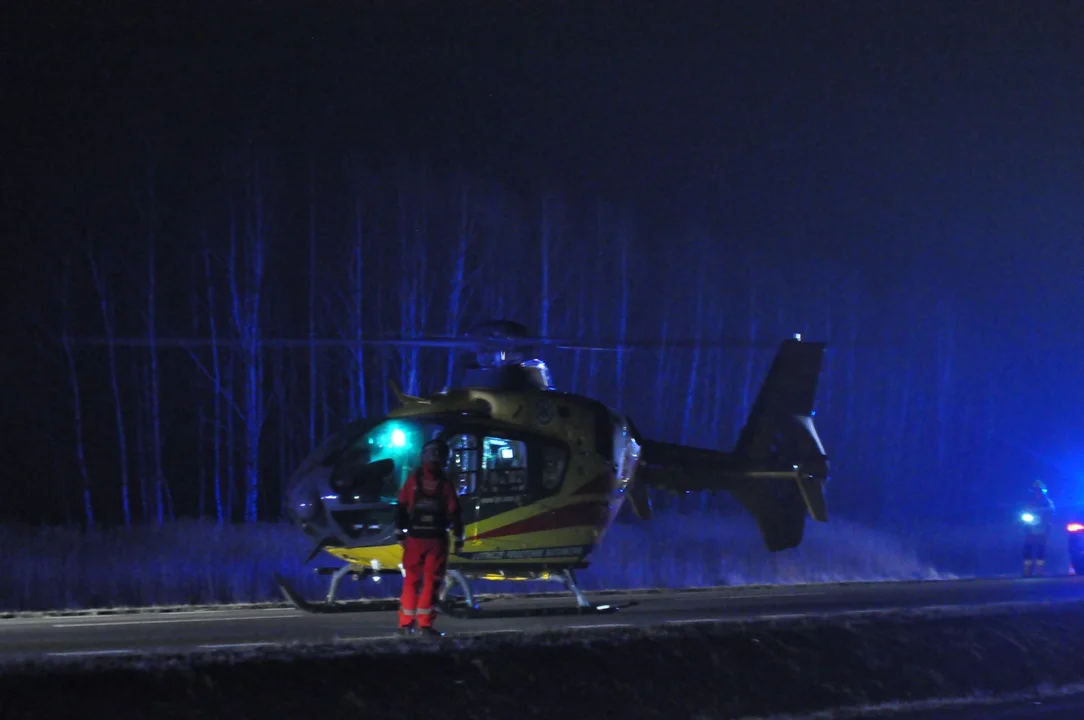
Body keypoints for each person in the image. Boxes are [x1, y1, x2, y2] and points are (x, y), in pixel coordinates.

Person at [395, 438, 464, 636]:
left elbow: (400, 507)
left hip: (414, 539)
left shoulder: (413, 480)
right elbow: (455, 513)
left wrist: (399, 532)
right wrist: (459, 537)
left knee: (411, 581)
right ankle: (425, 625)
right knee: (432, 582)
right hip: (436, 540)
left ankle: (405, 624)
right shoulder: (445, 484)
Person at [1022, 479, 1055, 577]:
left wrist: (1042, 512)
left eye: (1039, 490)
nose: (1037, 492)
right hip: (1030, 526)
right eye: (1035, 490)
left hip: (1043, 527)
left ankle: (1039, 569)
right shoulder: (1029, 502)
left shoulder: (1047, 502)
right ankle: (1027, 568)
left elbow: (1052, 510)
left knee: (1041, 547)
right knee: (1028, 546)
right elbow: (1023, 510)